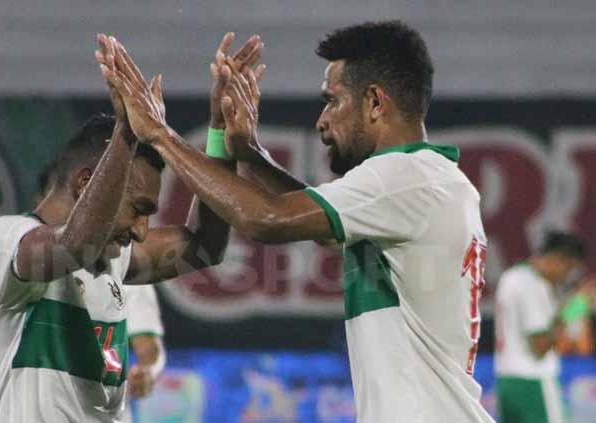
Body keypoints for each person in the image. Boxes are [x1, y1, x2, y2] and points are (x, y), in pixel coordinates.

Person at [97, 20, 494, 422]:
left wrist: (159, 134)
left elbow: (264, 218)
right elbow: (312, 227)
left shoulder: (403, 179)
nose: (322, 120)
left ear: (375, 102)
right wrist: (244, 150)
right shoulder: (428, 181)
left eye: (332, 100)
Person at [0, 32, 264, 422]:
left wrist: (219, 133)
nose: (141, 231)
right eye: (138, 209)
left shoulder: (114, 260)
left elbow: (206, 246)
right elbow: (75, 246)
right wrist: (128, 130)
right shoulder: (1, 245)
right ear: (86, 183)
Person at [35, 162, 168, 403]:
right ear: (40, 202)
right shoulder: (21, 265)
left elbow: (149, 349)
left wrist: (149, 370)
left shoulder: (124, 268)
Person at [495, 231, 590, 423]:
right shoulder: (532, 285)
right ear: (559, 259)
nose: (566, 276)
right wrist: (574, 310)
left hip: (507, 382)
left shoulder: (511, 276)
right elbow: (539, 346)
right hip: (533, 384)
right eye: (569, 269)